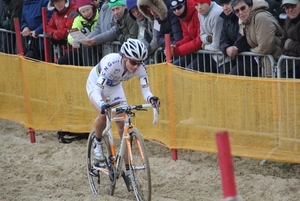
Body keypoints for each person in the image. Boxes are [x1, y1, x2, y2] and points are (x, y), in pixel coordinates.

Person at [86, 38, 160, 180]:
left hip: (114, 88)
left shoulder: (140, 68)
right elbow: (97, 90)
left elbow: (146, 91)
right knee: (103, 115)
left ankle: (128, 171)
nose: (136, 67)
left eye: (139, 63)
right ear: (124, 57)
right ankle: (98, 143)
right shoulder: (112, 63)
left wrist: (151, 98)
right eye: (133, 62)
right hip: (95, 85)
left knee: (122, 125)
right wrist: (102, 104)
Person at [231, 0, 283, 77]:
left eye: (243, 8)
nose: (240, 12)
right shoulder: (247, 20)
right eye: (237, 11)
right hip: (267, 63)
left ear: (250, 6)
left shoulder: (260, 17)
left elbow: (266, 47)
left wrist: (251, 51)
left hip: (278, 64)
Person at [218, 0, 259, 76]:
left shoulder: (243, 16)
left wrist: (235, 48)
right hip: (239, 60)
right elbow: (223, 38)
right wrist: (226, 48)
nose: (225, 8)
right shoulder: (226, 19)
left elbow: (245, 36)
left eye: (227, 4)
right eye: (222, 5)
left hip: (251, 61)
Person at [192, 0, 231, 73]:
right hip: (213, 57)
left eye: (202, 3)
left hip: (225, 59)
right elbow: (202, 35)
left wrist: (204, 46)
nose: (199, 7)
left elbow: (216, 46)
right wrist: (208, 39)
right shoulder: (200, 13)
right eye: (196, 5)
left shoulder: (216, 15)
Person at [167, 0, 202, 68]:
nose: (177, 11)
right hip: (195, 51)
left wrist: (177, 51)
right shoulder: (182, 17)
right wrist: (175, 46)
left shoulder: (197, 13)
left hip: (205, 52)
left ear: (185, 4)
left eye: (179, 7)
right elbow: (187, 37)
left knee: (189, 70)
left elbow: (199, 41)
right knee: (174, 66)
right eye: (174, 9)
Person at [67, 0, 99, 66]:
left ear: (92, 8)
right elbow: (71, 34)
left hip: (100, 49)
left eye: (88, 10)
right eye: (83, 12)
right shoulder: (78, 20)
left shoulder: (100, 16)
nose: (86, 13)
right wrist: (73, 40)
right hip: (87, 53)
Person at [46, 0, 78, 65]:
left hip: (75, 50)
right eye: (55, 2)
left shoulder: (73, 10)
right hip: (63, 50)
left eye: (60, 0)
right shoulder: (55, 13)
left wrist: (55, 34)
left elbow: (69, 30)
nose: (58, 3)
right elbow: (48, 27)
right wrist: (53, 34)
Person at [280, 0, 300, 78]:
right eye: (287, 7)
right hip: (289, 68)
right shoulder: (288, 20)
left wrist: (289, 44)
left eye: (293, 6)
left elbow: (286, 44)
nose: (290, 10)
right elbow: (282, 43)